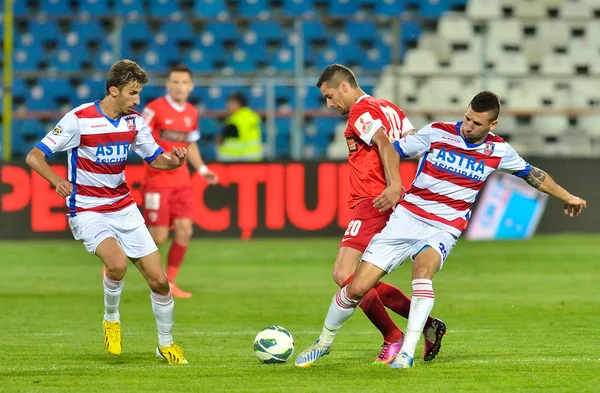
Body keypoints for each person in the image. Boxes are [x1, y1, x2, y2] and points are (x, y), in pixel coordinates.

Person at [295, 91, 587, 368]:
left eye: (477, 123)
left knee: (422, 272)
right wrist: (395, 184)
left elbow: (533, 175)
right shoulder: (438, 131)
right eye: (467, 118)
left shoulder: (498, 150)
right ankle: (324, 341)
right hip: (407, 218)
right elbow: (394, 151)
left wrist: (567, 196)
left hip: (444, 227)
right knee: (357, 286)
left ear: (493, 124)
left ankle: (406, 352)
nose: (468, 126)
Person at [25, 59, 189, 365]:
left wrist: (175, 161)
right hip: (87, 209)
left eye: (139, 93)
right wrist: (58, 180)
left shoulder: (135, 122)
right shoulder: (79, 119)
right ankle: (111, 319)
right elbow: (34, 156)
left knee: (159, 281)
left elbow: (155, 159)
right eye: (132, 93)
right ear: (113, 91)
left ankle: (166, 344)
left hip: (124, 208)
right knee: (116, 265)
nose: (137, 100)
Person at [302, 64, 447, 366]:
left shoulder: (360, 111)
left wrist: (394, 185)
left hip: (374, 200)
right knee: (363, 277)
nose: (329, 104)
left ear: (344, 86)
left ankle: (393, 336)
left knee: (345, 275)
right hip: (389, 201)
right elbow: (413, 146)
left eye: (329, 96)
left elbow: (383, 143)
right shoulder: (390, 108)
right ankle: (427, 324)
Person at [140, 64, 219, 298]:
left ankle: (170, 283)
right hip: (158, 179)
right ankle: (117, 255)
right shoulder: (154, 109)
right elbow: (140, 136)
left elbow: (190, 144)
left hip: (182, 181)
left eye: (184, 82)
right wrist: (158, 157)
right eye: (175, 81)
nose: (179, 86)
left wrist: (202, 169)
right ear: (168, 85)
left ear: (191, 86)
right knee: (158, 237)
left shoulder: (191, 113)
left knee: (185, 230)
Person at [216, 92, 263, 162]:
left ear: (236, 104)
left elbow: (220, 139)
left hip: (237, 161)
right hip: (255, 158)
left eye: (230, 103)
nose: (227, 106)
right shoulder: (252, 116)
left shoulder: (235, 120)